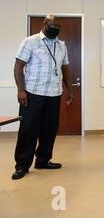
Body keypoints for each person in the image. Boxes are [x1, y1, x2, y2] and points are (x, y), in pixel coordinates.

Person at [12, 15, 73, 180]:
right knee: (28, 130)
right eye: (54, 25)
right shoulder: (30, 41)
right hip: (32, 93)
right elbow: (18, 66)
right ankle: (22, 165)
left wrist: (69, 89)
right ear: (45, 24)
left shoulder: (61, 46)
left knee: (49, 130)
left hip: (54, 94)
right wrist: (20, 90)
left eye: (59, 26)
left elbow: (65, 68)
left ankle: (43, 160)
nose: (57, 28)